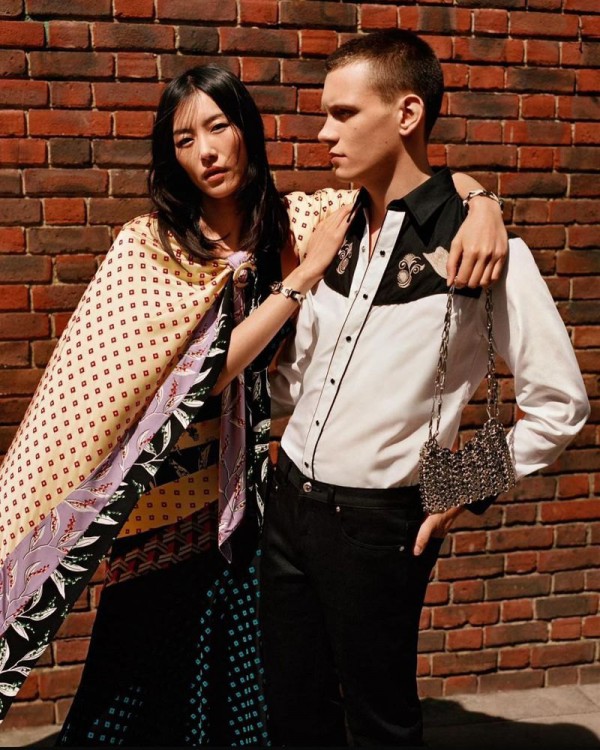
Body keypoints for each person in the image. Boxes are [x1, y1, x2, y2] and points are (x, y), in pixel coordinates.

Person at [0, 65, 506, 744]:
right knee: (139, 687)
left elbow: (414, 190)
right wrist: (300, 279)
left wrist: (482, 202)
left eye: (218, 127)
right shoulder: (151, 244)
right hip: (167, 506)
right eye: (184, 140)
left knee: (265, 696)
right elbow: (198, 379)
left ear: (246, 130)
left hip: (275, 509)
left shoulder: (304, 220)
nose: (206, 152)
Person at [261, 29, 591, 748]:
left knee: (379, 723)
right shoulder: (332, 227)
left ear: (407, 113)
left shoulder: (484, 250)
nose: (323, 133)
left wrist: (460, 487)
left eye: (343, 113)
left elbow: (560, 406)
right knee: (292, 713)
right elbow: (301, 375)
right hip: (286, 503)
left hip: (377, 522)